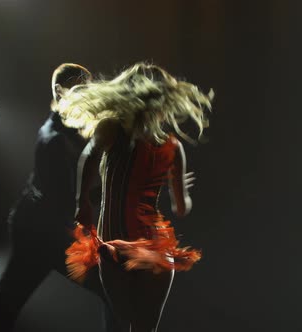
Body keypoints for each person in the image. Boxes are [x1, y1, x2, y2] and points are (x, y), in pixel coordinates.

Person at [60, 63, 212, 332]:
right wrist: (184, 193)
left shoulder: (112, 130)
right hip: (148, 248)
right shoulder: (170, 146)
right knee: (139, 325)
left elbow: (88, 158)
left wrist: (81, 202)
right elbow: (180, 208)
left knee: (128, 320)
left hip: (124, 246)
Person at [0, 63, 113, 331]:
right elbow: (71, 201)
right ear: (60, 92)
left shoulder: (63, 131)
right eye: (81, 89)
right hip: (42, 232)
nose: (88, 96)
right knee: (111, 289)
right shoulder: (55, 140)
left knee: (7, 302)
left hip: (35, 226)